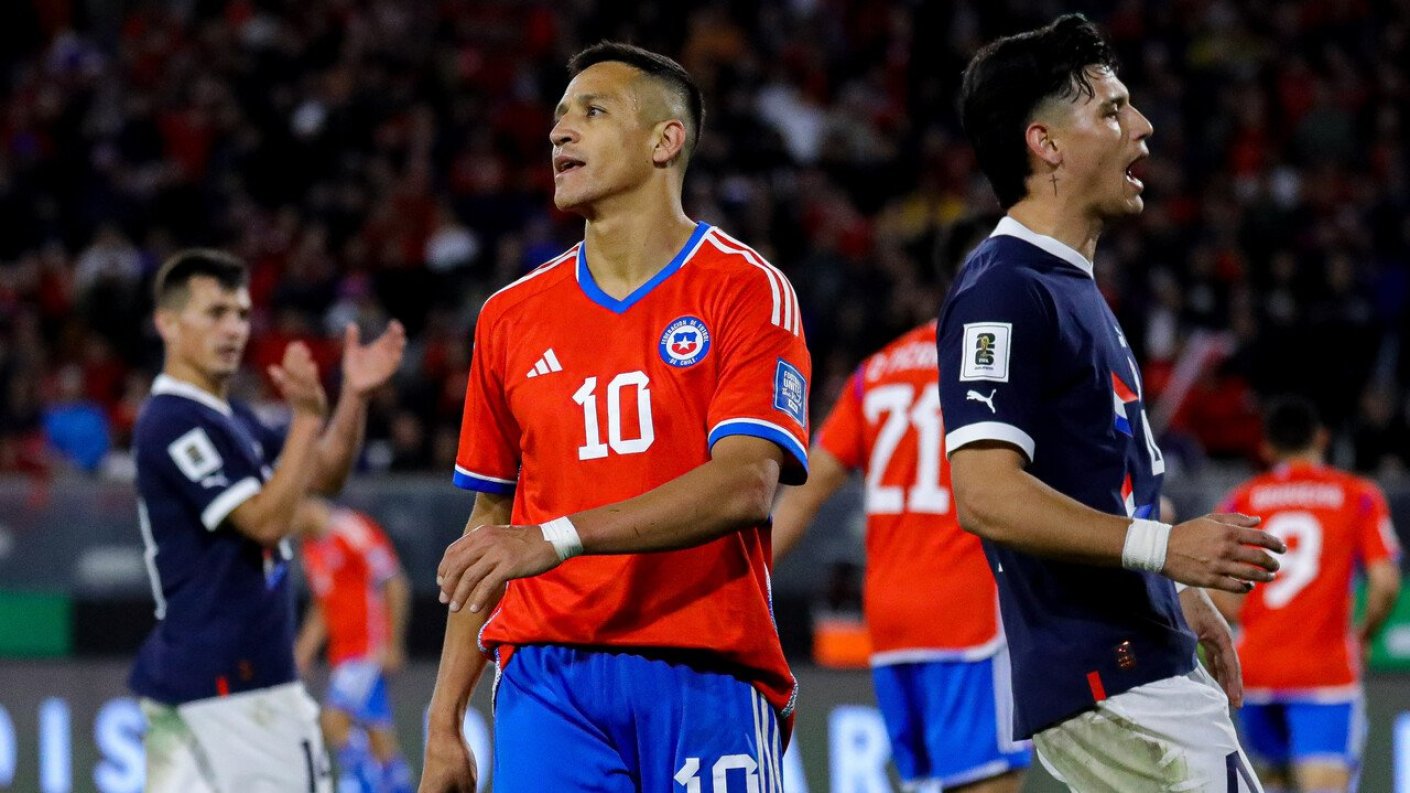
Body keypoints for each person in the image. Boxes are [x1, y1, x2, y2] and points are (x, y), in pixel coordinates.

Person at [421, 42, 811, 792]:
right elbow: (491, 521)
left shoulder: (746, 290)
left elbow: (745, 484)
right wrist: (444, 719)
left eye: (592, 112)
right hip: (548, 674)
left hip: (706, 666)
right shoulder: (509, 316)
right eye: (559, 117)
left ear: (666, 141)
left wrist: (557, 537)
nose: (560, 132)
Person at [936, 14, 1285, 791]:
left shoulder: (1067, 283)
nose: (1142, 126)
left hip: (1138, 652)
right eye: (1111, 109)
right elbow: (985, 493)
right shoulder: (1004, 286)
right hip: (1111, 672)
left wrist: (1182, 591)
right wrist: (1168, 551)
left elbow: (1102, 479)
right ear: (1046, 143)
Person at [131, 249, 405, 793]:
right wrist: (306, 418)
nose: (234, 328)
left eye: (241, 313)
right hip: (240, 689)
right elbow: (263, 520)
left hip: (205, 687)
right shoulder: (172, 419)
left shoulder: (234, 417)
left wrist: (352, 397)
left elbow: (323, 475)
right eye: (215, 312)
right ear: (167, 322)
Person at [772, 320, 1030, 793]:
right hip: (968, 616)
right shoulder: (996, 362)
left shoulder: (876, 372)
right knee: (988, 779)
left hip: (892, 621)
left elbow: (804, 496)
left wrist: (745, 581)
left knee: (926, 783)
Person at [1212, 397, 1402, 793]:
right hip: (1324, 672)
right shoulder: (1357, 495)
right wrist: (1363, 635)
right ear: (1321, 438)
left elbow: (1210, 582)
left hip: (1255, 671)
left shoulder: (1243, 499)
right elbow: (1385, 582)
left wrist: (1250, 620)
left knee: (1269, 785)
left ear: (1266, 447)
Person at [294, 497, 414, 793]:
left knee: (334, 719)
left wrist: (393, 643)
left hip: (368, 649)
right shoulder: (311, 548)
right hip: (343, 653)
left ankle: (365, 786)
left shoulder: (351, 530)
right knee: (379, 737)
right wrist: (302, 654)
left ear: (305, 504)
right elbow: (323, 607)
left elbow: (395, 583)